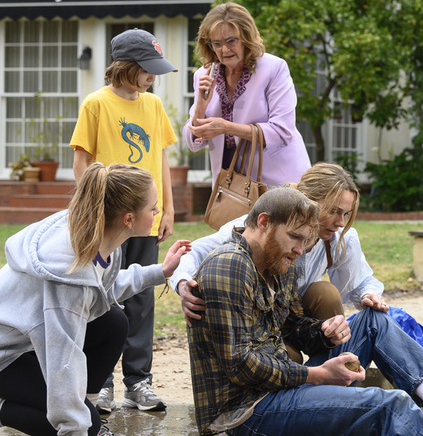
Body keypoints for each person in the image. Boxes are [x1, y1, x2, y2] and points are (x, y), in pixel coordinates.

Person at [188, 187, 423, 435]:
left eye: (306, 240)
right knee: (392, 405)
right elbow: (239, 365)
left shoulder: (276, 262)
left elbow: (291, 325)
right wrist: (317, 375)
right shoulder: (230, 265)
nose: (301, 250)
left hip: (278, 389)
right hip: (244, 413)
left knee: (371, 320)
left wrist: (324, 333)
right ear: (263, 223)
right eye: (295, 238)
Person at [0, 163, 190, 436]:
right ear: (128, 219)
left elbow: (101, 291)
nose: (158, 212)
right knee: (80, 425)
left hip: (25, 341)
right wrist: (78, 425)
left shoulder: (97, 235)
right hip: (5, 356)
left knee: (113, 322)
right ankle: (6, 407)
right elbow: (63, 359)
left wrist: (160, 271)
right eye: (153, 207)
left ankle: (82, 408)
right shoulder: (68, 276)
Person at [171, 163, 384, 361]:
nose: (339, 222)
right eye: (334, 211)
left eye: (346, 214)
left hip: (296, 318)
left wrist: (368, 295)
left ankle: (332, 366)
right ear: (307, 198)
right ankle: (304, 380)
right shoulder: (252, 229)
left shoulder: (339, 239)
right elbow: (192, 252)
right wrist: (183, 284)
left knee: (325, 293)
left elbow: (358, 281)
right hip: (261, 320)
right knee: (291, 359)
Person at [69, 28, 179, 413]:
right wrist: (91, 209)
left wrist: (166, 207)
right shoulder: (96, 104)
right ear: (126, 67)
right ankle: (101, 383)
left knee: (142, 300)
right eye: (148, 70)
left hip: (146, 219)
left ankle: (139, 382)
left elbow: (161, 158)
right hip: (109, 222)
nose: (153, 77)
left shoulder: (153, 106)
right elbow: (81, 161)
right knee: (102, 297)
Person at [183, 2, 311, 187]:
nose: (224, 50)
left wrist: (227, 127)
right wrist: (200, 109)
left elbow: (282, 132)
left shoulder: (273, 68)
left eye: (231, 41)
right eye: (216, 43)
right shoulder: (203, 75)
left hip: (279, 184)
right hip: (230, 188)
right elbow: (193, 142)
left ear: (246, 37)